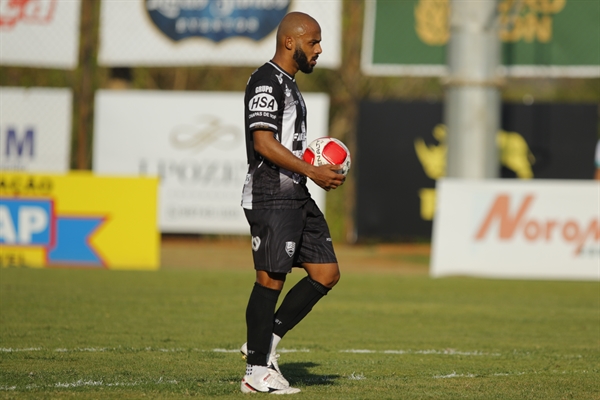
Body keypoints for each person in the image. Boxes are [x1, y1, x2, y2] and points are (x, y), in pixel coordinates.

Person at [239, 12, 345, 395]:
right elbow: (263, 143)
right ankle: (255, 372)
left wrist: (313, 167)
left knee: (326, 273)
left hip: (297, 192)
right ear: (290, 43)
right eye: (313, 42)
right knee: (270, 279)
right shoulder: (267, 81)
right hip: (272, 194)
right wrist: (313, 171)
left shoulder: (290, 84)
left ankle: (264, 343)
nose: (318, 50)